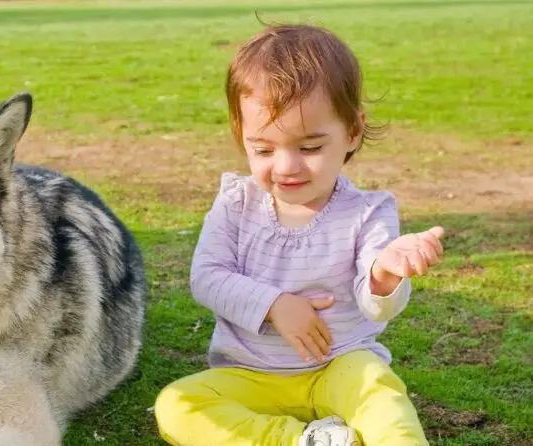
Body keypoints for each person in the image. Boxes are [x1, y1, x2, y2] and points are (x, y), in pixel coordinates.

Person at [153, 22, 445, 446]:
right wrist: (274, 304)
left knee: (382, 398)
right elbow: (207, 278)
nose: (287, 166)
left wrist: (385, 274)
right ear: (242, 138)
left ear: (352, 132)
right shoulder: (236, 202)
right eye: (265, 149)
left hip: (341, 368)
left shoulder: (369, 211)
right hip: (248, 374)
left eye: (309, 147)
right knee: (178, 404)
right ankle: (302, 440)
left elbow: (376, 305)